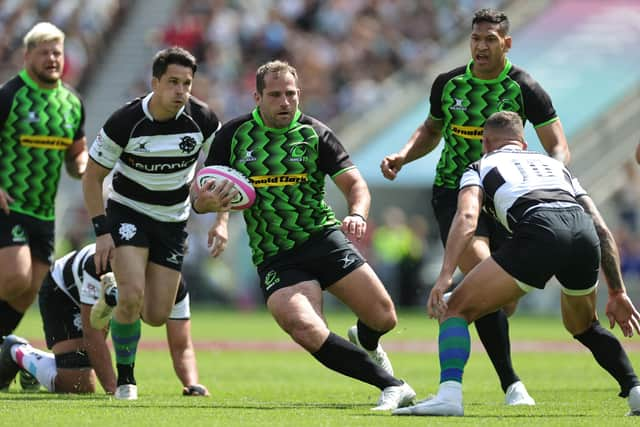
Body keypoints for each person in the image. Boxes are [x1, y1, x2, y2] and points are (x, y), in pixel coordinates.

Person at [192, 60, 416, 411]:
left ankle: (366, 340)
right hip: (276, 255)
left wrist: (357, 213)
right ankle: (392, 386)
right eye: (276, 95)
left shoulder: (315, 133)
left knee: (384, 317)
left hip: (323, 238)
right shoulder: (233, 136)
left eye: (291, 94)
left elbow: (355, 184)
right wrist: (209, 207)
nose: (285, 102)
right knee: (305, 328)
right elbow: (206, 192)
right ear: (257, 97)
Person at [380, 8, 571, 405]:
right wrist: (402, 155)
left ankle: (425, 317)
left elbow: (557, 143)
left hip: (507, 198)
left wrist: (553, 173)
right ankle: (511, 384)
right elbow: (431, 130)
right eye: (476, 39)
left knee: (504, 298)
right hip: (455, 192)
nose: (481, 47)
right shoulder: (449, 84)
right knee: (484, 275)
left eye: (490, 40)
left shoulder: (524, 88)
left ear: (507, 43)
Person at [393, 111, 640, 417]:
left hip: (539, 228)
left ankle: (449, 396)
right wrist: (617, 292)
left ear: (485, 142)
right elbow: (601, 227)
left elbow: (468, 217)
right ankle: (636, 391)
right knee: (584, 325)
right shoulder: (555, 166)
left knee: (455, 307)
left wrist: (445, 274)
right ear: (523, 144)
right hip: (582, 232)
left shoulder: (480, 166)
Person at [81, 46, 225, 400]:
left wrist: (220, 221)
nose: (180, 91)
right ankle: (126, 380)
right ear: (155, 82)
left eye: (187, 84)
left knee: (157, 315)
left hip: (173, 222)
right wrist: (102, 232)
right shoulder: (125, 121)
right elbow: (91, 176)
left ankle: (111, 297)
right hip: (128, 213)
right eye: (173, 82)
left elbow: (226, 174)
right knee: (132, 297)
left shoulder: (203, 120)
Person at [0, 243, 209, 396]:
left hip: (100, 302)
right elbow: (93, 334)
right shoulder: (102, 264)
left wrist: (193, 385)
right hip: (62, 290)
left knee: (79, 381)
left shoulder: (175, 286)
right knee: (78, 384)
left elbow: (182, 345)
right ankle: (16, 351)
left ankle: (35, 369)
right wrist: (114, 390)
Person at [0, 22, 88, 342]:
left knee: (27, 291)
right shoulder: (10, 95)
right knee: (14, 278)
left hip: (44, 211)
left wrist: (84, 166)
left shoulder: (73, 104)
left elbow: (78, 153)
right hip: (10, 203)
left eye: (57, 52)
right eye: (44, 53)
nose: (52, 59)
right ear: (27, 56)